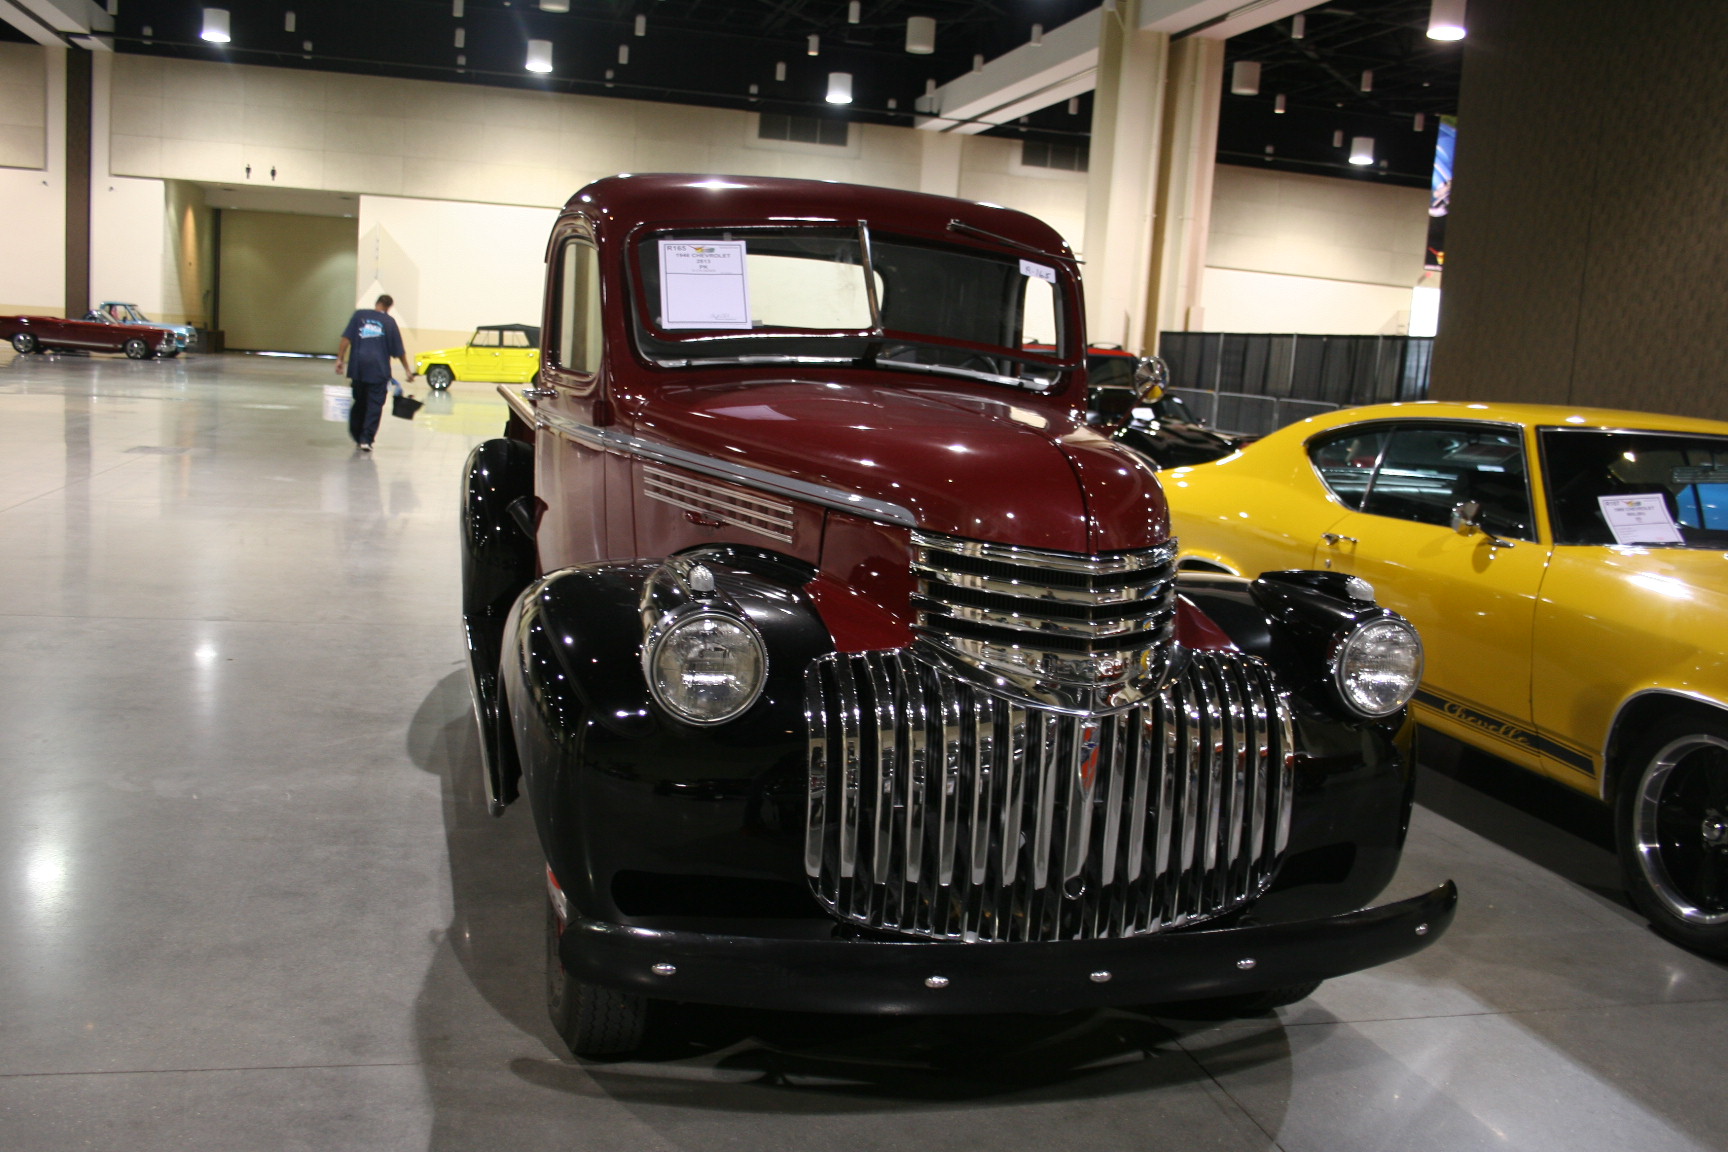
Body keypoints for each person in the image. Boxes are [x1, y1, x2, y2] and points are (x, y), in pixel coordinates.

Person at [335, 294, 415, 451]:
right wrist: (407, 370)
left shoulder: (359, 315)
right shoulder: (389, 322)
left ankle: (357, 435)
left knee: (359, 402)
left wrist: (340, 359)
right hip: (378, 371)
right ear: (389, 307)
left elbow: (346, 339)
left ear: (377, 303)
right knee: (374, 406)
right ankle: (366, 439)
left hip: (358, 369)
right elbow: (399, 351)